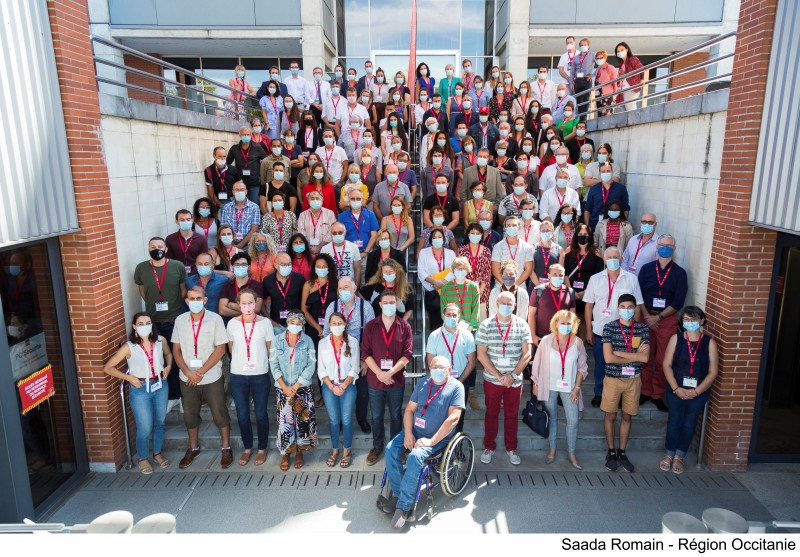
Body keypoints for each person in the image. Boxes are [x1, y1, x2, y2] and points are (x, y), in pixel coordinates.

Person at [382, 354, 465, 529]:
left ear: (449, 370)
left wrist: (431, 441)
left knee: (415, 457)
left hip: (437, 437)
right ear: (429, 369)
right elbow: (410, 410)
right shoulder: (423, 383)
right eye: (434, 367)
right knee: (390, 449)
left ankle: (404, 507)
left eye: (442, 368)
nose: (438, 371)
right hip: (415, 430)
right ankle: (398, 495)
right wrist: (408, 434)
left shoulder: (456, 387)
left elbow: (453, 419)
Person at [104, 312, 173, 474]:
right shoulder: (129, 346)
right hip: (140, 388)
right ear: (134, 326)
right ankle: (142, 457)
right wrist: (129, 378)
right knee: (145, 426)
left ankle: (157, 452)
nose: (145, 326)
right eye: (140, 324)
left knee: (160, 421)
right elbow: (108, 368)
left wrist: (168, 366)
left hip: (160, 385)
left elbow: (168, 354)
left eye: (147, 322)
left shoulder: (159, 341)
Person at [172, 285, 232, 469]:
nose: (195, 302)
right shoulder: (180, 320)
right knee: (190, 415)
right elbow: (176, 350)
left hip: (211, 375)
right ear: (186, 301)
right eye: (192, 299)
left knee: (219, 412)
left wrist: (201, 372)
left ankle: (226, 447)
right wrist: (189, 372)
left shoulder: (215, 319)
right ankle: (193, 448)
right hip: (187, 377)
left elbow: (220, 349)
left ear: (205, 300)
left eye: (199, 299)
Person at [583, 247, 644, 407]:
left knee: (622, 363)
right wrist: (588, 330)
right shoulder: (595, 279)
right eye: (609, 257)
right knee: (601, 364)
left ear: (622, 258)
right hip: (600, 331)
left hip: (624, 333)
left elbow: (637, 306)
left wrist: (635, 332)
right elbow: (588, 306)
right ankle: (599, 392)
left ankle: (620, 395)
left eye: (615, 257)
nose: (612, 260)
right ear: (604, 260)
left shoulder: (631, 279)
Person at [477, 290, 532, 465]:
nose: (506, 306)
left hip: (514, 382)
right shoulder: (485, 325)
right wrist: (500, 376)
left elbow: (527, 354)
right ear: (496, 304)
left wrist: (512, 376)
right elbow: (481, 355)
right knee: (491, 413)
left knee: (511, 414)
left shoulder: (522, 324)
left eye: (510, 304)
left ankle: (511, 448)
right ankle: (489, 446)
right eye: (503, 303)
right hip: (493, 380)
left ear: (515, 306)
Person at [661, 306, 718, 474]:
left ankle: (680, 456)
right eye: (686, 319)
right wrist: (676, 388)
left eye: (694, 319)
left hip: (698, 392)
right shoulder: (676, 339)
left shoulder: (709, 342)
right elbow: (666, 364)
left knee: (689, 423)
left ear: (702, 321)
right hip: (675, 389)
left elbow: (713, 371)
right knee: (674, 421)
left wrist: (697, 391)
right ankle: (669, 454)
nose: (690, 322)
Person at [361, 290, 414, 466]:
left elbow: (407, 355)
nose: (390, 305)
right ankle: (377, 448)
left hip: (395, 380)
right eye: (387, 302)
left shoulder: (404, 327)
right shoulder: (370, 326)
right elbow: (366, 354)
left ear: (397, 303)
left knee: (396, 416)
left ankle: (397, 448)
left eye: (393, 302)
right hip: (375, 381)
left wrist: (389, 373)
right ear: (380, 305)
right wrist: (380, 374)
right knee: (376, 416)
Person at [530, 309, 588, 469]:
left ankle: (571, 452)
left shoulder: (578, 343)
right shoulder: (546, 341)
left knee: (573, 420)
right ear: (555, 323)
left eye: (569, 324)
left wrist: (577, 387)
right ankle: (552, 449)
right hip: (549, 386)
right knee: (552, 418)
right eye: (563, 323)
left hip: (570, 388)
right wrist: (535, 383)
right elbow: (537, 363)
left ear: (574, 325)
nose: (566, 326)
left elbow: (582, 368)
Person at [134, 237, 187, 406]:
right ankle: (165, 395)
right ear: (148, 249)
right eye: (153, 247)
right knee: (158, 359)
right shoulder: (141, 268)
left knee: (176, 356)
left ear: (165, 249)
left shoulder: (177, 266)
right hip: (153, 323)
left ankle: (177, 394)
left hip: (174, 319)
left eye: (159, 246)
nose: (156, 249)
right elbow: (143, 292)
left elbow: (182, 290)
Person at [638, 234, 688, 412]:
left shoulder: (680, 273)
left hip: (666, 319)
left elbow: (679, 301)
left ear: (674, 248)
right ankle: (644, 391)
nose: (665, 248)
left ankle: (657, 394)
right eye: (662, 245)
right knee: (645, 357)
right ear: (657, 247)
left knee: (662, 360)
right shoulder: (646, 269)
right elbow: (639, 294)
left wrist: (658, 318)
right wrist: (646, 315)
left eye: (669, 245)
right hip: (646, 316)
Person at [601, 293, 650, 472]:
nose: (626, 311)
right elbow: (608, 358)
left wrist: (619, 353)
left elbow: (645, 358)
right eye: (623, 307)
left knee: (627, 416)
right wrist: (634, 355)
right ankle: (611, 451)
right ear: (618, 308)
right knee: (610, 415)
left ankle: (622, 451)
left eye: (630, 307)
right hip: (613, 379)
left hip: (633, 380)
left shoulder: (642, 329)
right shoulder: (609, 328)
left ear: (635, 309)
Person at [226, 288, 274, 467]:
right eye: (243, 303)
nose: (247, 306)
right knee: (242, 414)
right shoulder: (232, 324)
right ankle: (248, 448)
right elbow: (231, 348)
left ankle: (262, 448)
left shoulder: (265, 324)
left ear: (256, 304)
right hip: (238, 375)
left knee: (261, 413)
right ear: (239, 304)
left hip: (260, 375)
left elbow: (271, 349)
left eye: (250, 303)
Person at [323, 277, 375, 433]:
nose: (343, 291)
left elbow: (370, 335)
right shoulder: (332, 307)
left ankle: (361, 418)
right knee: (338, 388)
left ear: (354, 288)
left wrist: (365, 360)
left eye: (346, 287)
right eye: (340, 288)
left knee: (362, 392)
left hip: (359, 356)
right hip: (337, 357)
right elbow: (326, 333)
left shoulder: (365, 307)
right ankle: (338, 420)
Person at [270, 311, 318, 471]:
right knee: (285, 422)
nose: (295, 326)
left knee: (303, 422)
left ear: (303, 325)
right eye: (292, 322)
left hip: (302, 388)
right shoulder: (277, 340)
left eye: (299, 323)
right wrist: (284, 386)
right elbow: (273, 364)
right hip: (283, 389)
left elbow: (311, 365)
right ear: (287, 323)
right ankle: (286, 452)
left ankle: (299, 452)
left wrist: (296, 385)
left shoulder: (308, 340)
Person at [318, 311, 360, 468]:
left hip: (347, 386)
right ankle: (335, 449)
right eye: (333, 323)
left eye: (339, 323)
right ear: (329, 325)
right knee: (334, 420)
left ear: (344, 325)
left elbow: (355, 368)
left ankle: (347, 450)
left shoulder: (353, 342)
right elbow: (321, 369)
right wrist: (332, 386)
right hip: (329, 387)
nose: (336, 326)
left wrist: (343, 385)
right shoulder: (323, 343)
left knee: (347, 419)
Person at [426, 305, 477, 429]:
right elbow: (430, 362)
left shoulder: (467, 335)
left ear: (459, 317)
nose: (451, 317)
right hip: (440, 381)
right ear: (443, 316)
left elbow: (472, 362)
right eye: (448, 314)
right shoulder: (434, 336)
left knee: (458, 417)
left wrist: (460, 382)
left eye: (454, 315)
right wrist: (440, 380)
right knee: (440, 416)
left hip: (461, 380)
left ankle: (457, 446)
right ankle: (441, 445)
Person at [563, 224, 605, 326]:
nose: (582, 236)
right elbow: (565, 273)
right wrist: (572, 291)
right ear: (576, 235)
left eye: (585, 234)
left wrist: (583, 293)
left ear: (589, 236)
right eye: (580, 234)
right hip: (570, 293)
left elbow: (599, 276)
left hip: (589, 294)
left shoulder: (596, 253)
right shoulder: (569, 250)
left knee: (585, 323)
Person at [529, 263, 577, 348]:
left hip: (563, 338)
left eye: (560, 275)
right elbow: (531, 314)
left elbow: (573, 317)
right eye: (555, 274)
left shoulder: (570, 292)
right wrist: (533, 336)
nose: (558, 277)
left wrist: (571, 337)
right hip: (542, 337)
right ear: (548, 276)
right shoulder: (538, 291)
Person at [418, 228, 456, 331]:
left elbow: (454, 271)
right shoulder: (423, 252)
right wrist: (435, 282)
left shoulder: (451, 253)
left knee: (449, 321)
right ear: (430, 240)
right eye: (434, 237)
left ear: (444, 239)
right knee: (435, 325)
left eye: (439, 237)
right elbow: (421, 272)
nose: (437, 239)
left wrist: (442, 283)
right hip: (432, 292)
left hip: (448, 291)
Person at [458, 223, 493, 321]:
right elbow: (460, 269)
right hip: (466, 289)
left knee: (481, 319)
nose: (475, 235)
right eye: (472, 233)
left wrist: (480, 291)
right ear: (468, 234)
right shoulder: (461, 250)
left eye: (478, 233)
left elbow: (487, 273)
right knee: (466, 320)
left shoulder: (487, 251)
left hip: (483, 291)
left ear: (482, 235)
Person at [262, 252, 305, 331]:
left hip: (297, 324)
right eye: (283, 265)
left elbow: (305, 302)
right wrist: (269, 320)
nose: (287, 267)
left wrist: (301, 321)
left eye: (289, 264)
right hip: (277, 324)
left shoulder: (300, 279)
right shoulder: (268, 280)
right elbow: (261, 301)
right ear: (275, 265)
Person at [218, 252, 265, 321]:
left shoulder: (257, 285)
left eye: (243, 265)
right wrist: (246, 312)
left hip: (252, 324)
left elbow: (257, 309)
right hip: (232, 325)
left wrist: (232, 305)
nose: (240, 267)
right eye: (237, 265)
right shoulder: (227, 285)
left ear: (248, 267)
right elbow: (222, 310)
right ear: (232, 267)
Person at [439, 257, 480, 331]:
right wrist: (452, 327)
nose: (460, 271)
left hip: (470, 330)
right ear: (453, 270)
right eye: (457, 269)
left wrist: (469, 329)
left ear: (467, 270)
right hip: (451, 329)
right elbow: (443, 311)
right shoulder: (446, 288)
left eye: (462, 269)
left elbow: (476, 310)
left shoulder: (473, 287)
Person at [227, 127, 267, 203]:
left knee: (254, 205)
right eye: (244, 134)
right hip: (240, 184)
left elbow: (266, 160)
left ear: (251, 135)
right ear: (240, 135)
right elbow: (227, 164)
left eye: (248, 134)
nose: (246, 136)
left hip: (254, 183)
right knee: (241, 205)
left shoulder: (257, 147)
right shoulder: (234, 148)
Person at [583, 163, 630, 229]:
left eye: (608, 171)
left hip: (615, 226)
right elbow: (587, 210)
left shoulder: (621, 188)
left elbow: (626, 209)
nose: (606, 173)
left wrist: (623, 225)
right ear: (599, 173)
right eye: (603, 172)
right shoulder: (593, 189)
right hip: (596, 225)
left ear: (612, 172)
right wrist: (588, 226)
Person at [491, 216, 533, 287]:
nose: (511, 227)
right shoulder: (497, 247)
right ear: (504, 228)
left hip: (520, 287)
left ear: (519, 227)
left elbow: (528, 270)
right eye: (508, 225)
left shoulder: (527, 247)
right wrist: (505, 285)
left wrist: (515, 285)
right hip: (501, 287)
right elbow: (495, 270)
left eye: (514, 225)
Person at [165, 209, 208, 276]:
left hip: (196, 274)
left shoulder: (201, 239)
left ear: (192, 220)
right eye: (182, 220)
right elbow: (168, 260)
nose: (185, 222)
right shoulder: (170, 239)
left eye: (188, 219)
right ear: (177, 222)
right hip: (177, 275)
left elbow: (204, 259)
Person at [219, 181, 261, 250]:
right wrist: (232, 244)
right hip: (229, 244)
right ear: (233, 192)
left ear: (246, 191)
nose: (239, 192)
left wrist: (240, 245)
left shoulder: (254, 207)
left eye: (242, 189)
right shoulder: (226, 207)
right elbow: (223, 227)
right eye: (237, 190)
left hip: (248, 246)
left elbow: (254, 229)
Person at [186, 252, 228, 317]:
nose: (203, 266)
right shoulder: (189, 281)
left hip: (216, 320)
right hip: (195, 320)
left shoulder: (223, 281)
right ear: (196, 265)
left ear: (213, 265)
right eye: (200, 264)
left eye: (206, 264)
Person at [297, 190, 336, 254]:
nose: (315, 200)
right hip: (307, 251)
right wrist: (308, 247)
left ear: (322, 199)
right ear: (308, 201)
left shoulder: (329, 214)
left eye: (317, 198)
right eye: (312, 198)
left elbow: (331, 233)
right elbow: (301, 233)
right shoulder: (303, 215)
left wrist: (319, 247)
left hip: (325, 250)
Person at [615, 42, 645, 112]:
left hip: (631, 88)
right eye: (618, 51)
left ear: (627, 49)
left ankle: (634, 123)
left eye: (622, 50)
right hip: (622, 89)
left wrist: (640, 83)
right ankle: (628, 123)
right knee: (624, 110)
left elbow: (641, 69)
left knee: (630, 110)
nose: (620, 52)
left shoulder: (632, 59)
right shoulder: (622, 64)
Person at [570, 38, 595, 119]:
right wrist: (571, 83)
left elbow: (600, 64)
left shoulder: (592, 55)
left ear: (588, 46)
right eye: (581, 45)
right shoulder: (576, 57)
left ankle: (584, 119)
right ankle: (580, 118)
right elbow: (572, 71)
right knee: (579, 100)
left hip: (587, 80)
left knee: (586, 99)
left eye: (585, 45)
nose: (583, 46)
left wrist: (593, 75)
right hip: (577, 81)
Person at [593, 51, 618, 117]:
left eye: (601, 58)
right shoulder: (597, 69)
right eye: (597, 58)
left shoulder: (610, 68)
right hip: (598, 96)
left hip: (608, 96)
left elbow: (615, 83)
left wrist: (614, 96)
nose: (599, 60)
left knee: (607, 115)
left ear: (605, 58)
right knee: (600, 115)